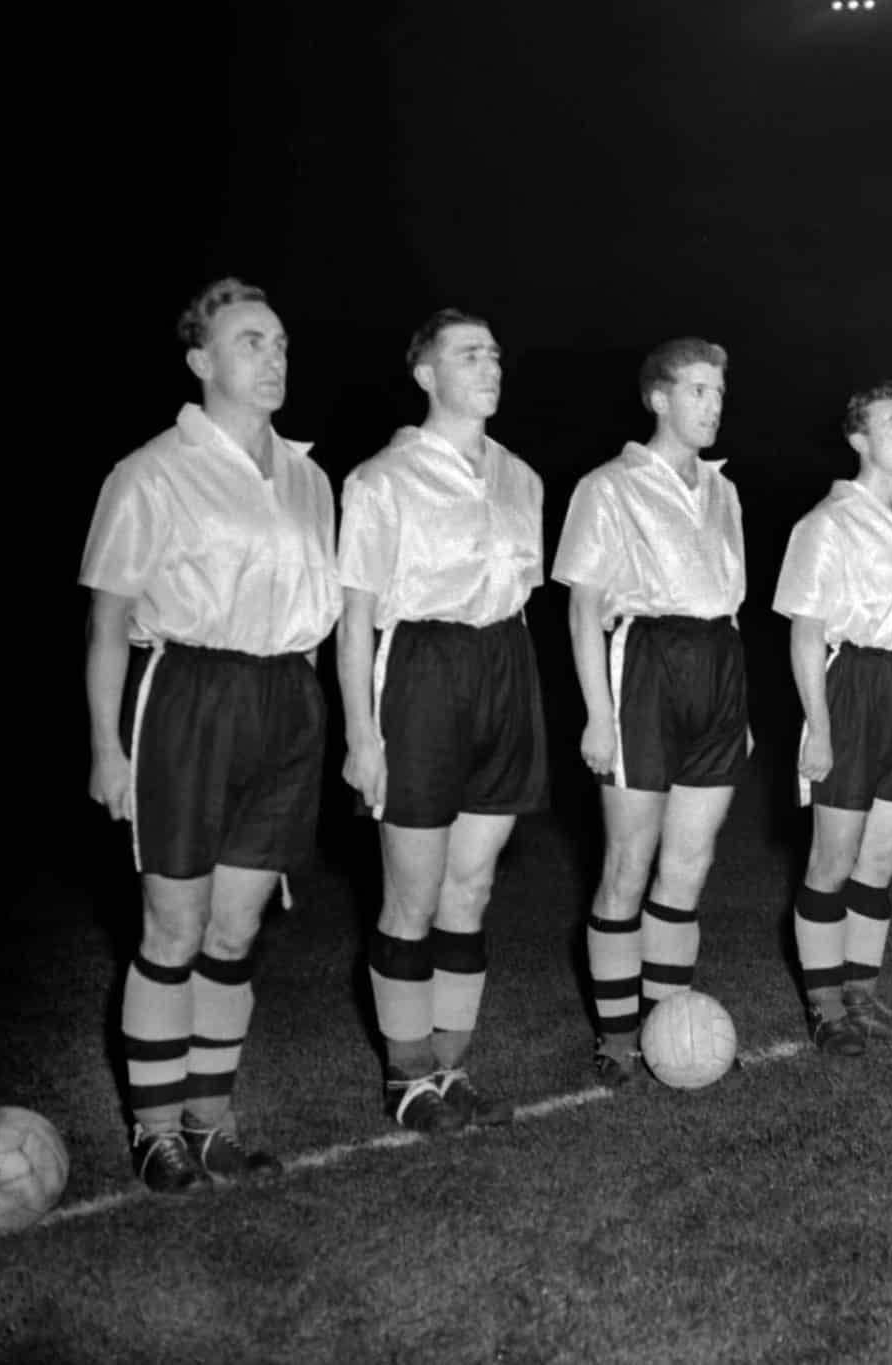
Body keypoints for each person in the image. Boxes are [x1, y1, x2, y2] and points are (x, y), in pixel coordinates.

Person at [81, 279, 340, 1193]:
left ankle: (211, 1119)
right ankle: (154, 1129)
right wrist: (108, 748)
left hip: (287, 699)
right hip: (189, 694)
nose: (272, 357)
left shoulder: (309, 475)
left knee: (234, 931)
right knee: (175, 924)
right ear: (201, 361)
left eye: (278, 342)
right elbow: (108, 620)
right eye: (248, 342)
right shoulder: (151, 470)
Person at [335, 310, 545, 1134]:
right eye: (469, 354)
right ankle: (407, 1074)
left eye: (494, 352)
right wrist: (362, 733)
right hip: (420, 671)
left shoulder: (522, 476)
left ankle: (452, 1068)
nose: (490, 365)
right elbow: (354, 620)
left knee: (475, 883)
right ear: (426, 375)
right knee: (413, 892)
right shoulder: (381, 479)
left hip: (506, 666)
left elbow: (519, 595)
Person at [554, 338, 748, 1085]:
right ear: (658, 398)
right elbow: (584, 609)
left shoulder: (724, 490)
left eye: (719, 392)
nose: (712, 404)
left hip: (718, 668)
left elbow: (727, 604)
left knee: (690, 864)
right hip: (642, 666)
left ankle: (672, 1028)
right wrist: (599, 716)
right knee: (628, 863)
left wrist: (739, 706)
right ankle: (615, 1034)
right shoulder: (609, 485)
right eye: (698, 389)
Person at [773, 383, 892, 1054]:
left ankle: (862, 994)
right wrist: (818, 727)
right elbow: (805, 632)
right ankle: (824, 1008)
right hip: (853, 687)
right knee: (834, 855)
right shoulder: (826, 522)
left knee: (881, 855)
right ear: (859, 439)